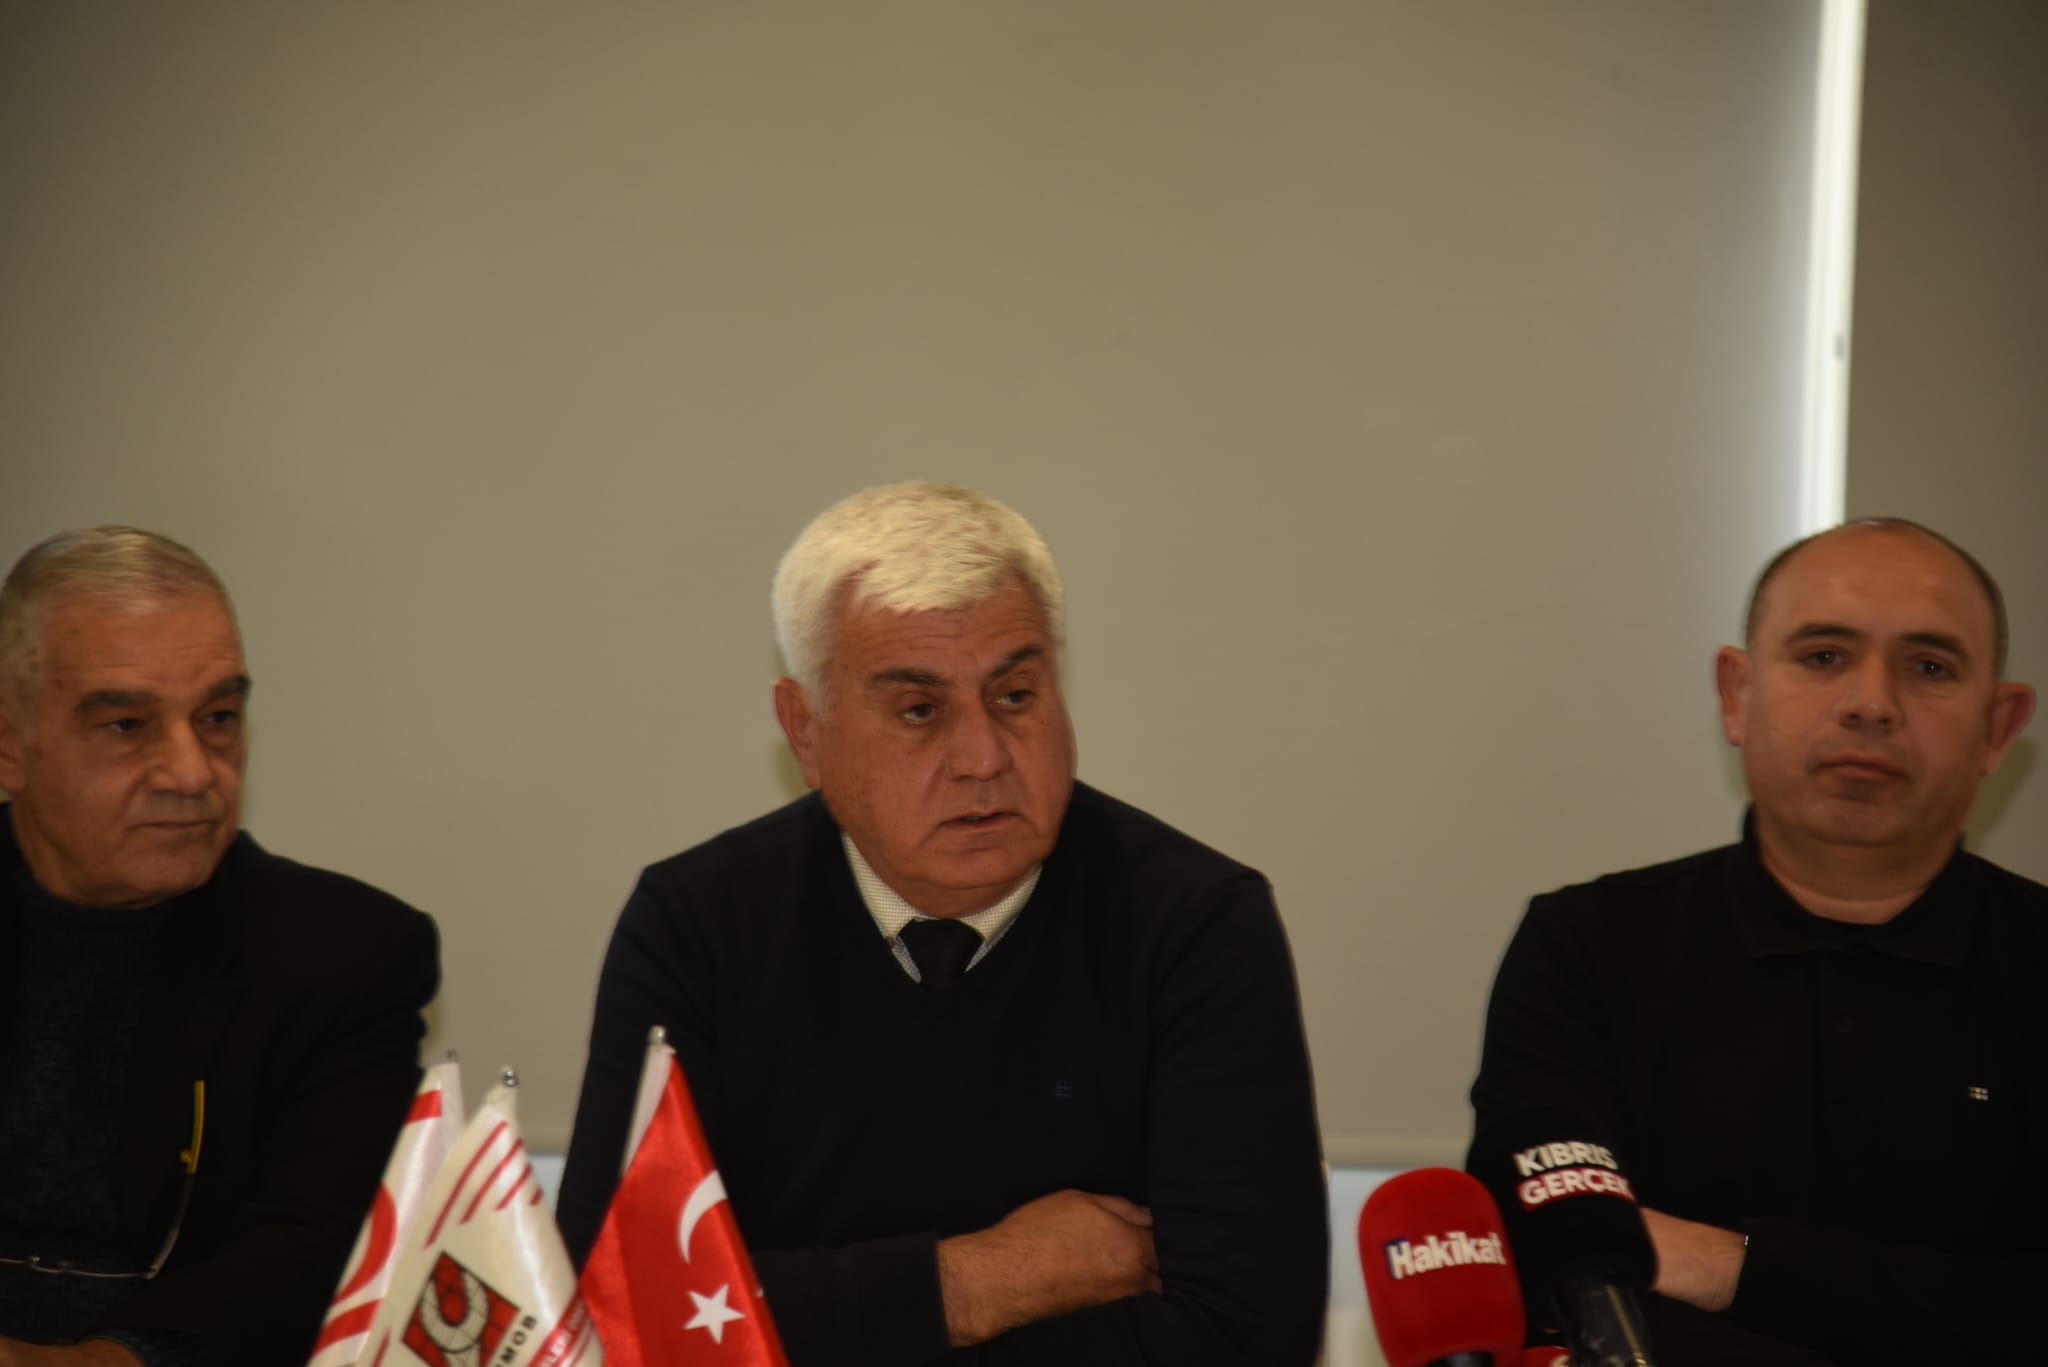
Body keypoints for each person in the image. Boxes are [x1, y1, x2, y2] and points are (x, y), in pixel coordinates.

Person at [557, 482, 1327, 1365]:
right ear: (805, 732)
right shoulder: (697, 924)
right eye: (920, 711)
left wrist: (813, 1314)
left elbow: (1248, 1337)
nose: (983, 757)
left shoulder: (1195, 922)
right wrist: (985, 1280)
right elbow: (612, 1313)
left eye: (1016, 695)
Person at [1469, 518, 2040, 1366]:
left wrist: (1724, 1263)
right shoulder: (1587, 946)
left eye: (1929, 666)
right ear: (1737, 695)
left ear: (1998, 726)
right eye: (1823, 655)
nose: (1872, 702)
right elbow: (1556, 1262)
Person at [0, 528, 439, 1367]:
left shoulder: (346, 955)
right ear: (10, 742)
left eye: (218, 718)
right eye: (127, 724)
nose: (193, 771)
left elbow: (310, 1256)